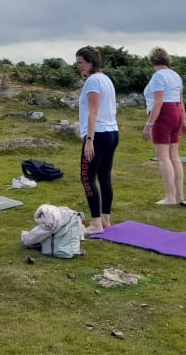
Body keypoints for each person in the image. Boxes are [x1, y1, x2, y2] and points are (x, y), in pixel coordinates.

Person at [75, 46, 119, 234]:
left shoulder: (93, 81)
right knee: (104, 177)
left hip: (99, 134)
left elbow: (93, 111)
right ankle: (105, 219)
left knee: (87, 177)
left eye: (81, 63)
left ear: (92, 62)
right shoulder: (105, 79)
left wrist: (90, 139)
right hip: (112, 132)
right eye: (77, 63)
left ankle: (95, 223)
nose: (78, 67)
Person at [142, 47, 186, 205]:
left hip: (164, 114)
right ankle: (180, 196)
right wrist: (183, 122)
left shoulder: (158, 76)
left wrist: (149, 124)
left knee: (163, 157)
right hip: (177, 112)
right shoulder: (176, 75)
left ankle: (170, 197)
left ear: (152, 60)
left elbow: (158, 102)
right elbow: (181, 100)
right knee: (174, 156)